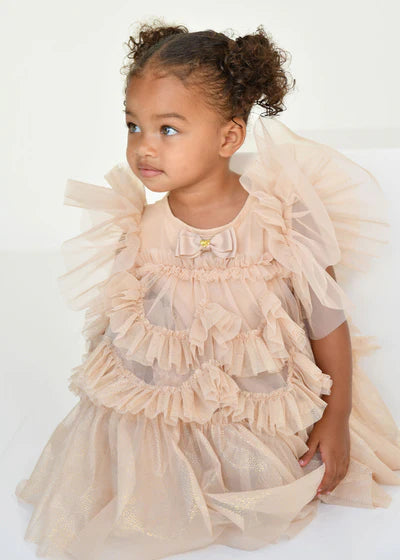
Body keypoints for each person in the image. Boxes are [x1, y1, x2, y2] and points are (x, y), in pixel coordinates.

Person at [15, 19, 400, 560]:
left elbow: (327, 318)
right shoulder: (138, 226)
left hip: (257, 404)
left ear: (228, 137)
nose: (144, 147)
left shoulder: (281, 218)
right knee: (149, 488)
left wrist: (335, 418)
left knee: (277, 478)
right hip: (171, 403)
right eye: (133, 126)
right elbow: (125, 335)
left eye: (168, 130)